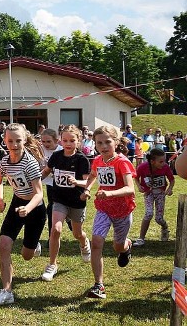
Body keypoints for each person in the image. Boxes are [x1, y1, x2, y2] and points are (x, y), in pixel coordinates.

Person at [0, 123, 45, 305]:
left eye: (18, 140)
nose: (14, 144)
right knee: (4, 244)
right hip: (16, 204)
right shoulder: (4, 161)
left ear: (25, 140)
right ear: (4, 141)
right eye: (10, 140)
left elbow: (39, 194)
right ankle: (6, 292)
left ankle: (34, 245)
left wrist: (27, 209)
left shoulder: (30, 163)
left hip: (35, 209)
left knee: (26, 255)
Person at [83, 125, 136, 299]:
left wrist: (110, 193)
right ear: (95, 144)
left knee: (117, 246)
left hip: (122, 210)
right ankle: (99, 285)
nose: (104, 146)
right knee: (96, 242)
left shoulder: (122, 162)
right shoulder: (98, 160)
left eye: (107, 142)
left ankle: (126, 246)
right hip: (104, 209)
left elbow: (130, 188)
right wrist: (88, 189)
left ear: (116, 142)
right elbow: (92, 175)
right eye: (99, 143)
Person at [40, 125, 91, 282]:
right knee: (55, 229)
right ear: (60, 141)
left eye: (72, 140)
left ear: (78, 141)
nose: (68, 143)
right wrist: (34, 181)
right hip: (59, 199)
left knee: (77, 233)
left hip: (76, 201)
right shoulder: (56, 156)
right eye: (65, 140)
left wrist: (78, 182)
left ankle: (84, 242)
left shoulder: (82, 159)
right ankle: (52, 265)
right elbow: (46, 171)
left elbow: (87, 181)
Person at [132, 148, 174, 246]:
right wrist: (139, 186)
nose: (163, 163)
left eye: (164, 161)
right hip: (148, 194)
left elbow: (172, 180)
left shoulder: (165, 167)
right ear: (152, 161)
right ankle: (141, 238)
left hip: (160, 193)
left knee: (159, 218)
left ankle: (165, 228)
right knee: (148, 214)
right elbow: (136, 178)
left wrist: (170, 189)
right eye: (161, 161)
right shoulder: (142, 167)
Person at [39, 129, 62, 239]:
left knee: (56, 209)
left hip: (61, 184)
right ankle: (51, 237)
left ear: (56, 141)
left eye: (48, 142)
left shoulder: (61, 151)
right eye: (43, 141)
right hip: (49, 183)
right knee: (51, 209)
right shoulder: (40, 150)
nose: (45, 144)